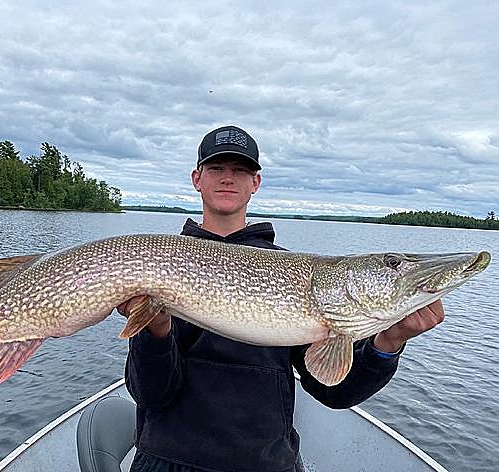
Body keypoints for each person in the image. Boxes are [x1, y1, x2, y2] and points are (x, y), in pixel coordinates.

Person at [117, 125, 444, 472]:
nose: (228, 178)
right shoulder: (162, 262)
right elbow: (151, 395)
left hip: (265, 462)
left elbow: (335, 391)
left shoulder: (294, 273)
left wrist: (389, 341)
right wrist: (155, 331)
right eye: (216, 169)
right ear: (197, 178)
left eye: (240, 170)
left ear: (255, 183)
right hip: (168, 459)